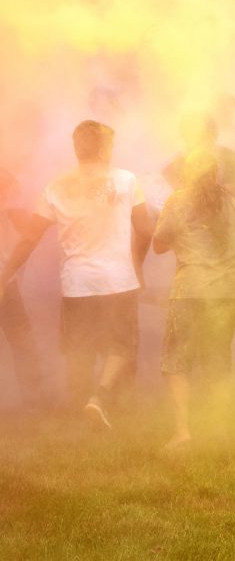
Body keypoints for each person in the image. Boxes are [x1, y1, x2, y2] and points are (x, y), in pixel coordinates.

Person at [0, 121, 154, 427]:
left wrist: (5, 274)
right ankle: (99, 398)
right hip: (118, 279)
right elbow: (145, 229)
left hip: (76, 283)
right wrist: (137, 261)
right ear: (104, 148)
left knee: (78, 348)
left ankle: (79, 409)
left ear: (76, 148)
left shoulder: (55, 187)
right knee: (121, 346)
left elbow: (30, 237)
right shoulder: (126, 180)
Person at [152, 151, 235, 451]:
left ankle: (183, 433)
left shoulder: (178, 200)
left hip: (190, 289)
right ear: (216, 173)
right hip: (225, 292)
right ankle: (218, 429)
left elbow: (158, 244)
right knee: (218, 361)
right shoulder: (233, 202)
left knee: (177, 362)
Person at [0, 169, 47, 411]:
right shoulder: (9, 197)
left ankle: (34, 401)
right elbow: (30, 230)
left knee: (22, 341)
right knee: (22, 340)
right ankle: (34, 402)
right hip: (3, 283)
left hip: (5, 280)